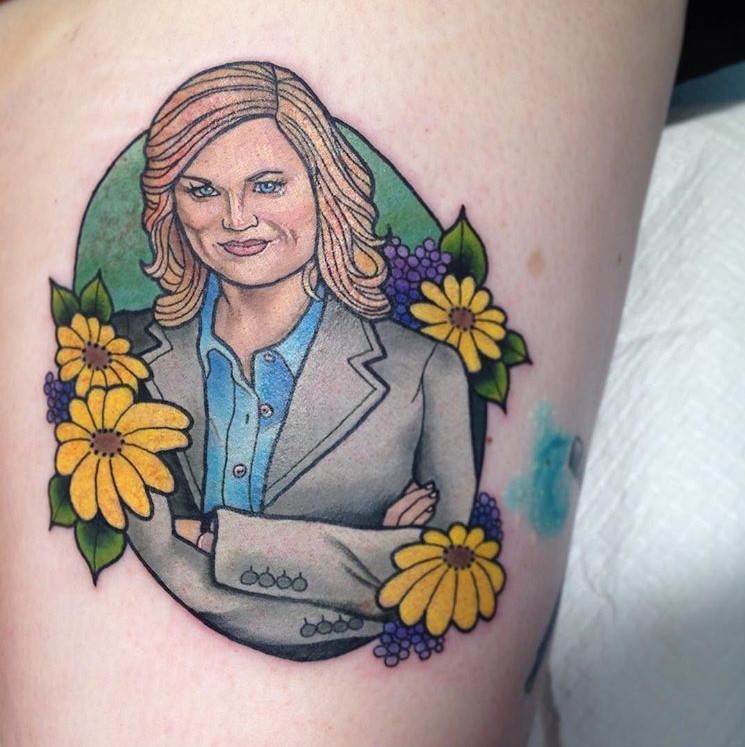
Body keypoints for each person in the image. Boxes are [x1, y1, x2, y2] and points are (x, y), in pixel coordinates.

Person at [114, 61, 476, 659]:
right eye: (202, 191)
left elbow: (439, 576)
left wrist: (218, 540)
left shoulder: (423, 373)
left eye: (267, 185)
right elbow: (157, 566)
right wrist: (369, 559)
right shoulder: (116, 357)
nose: (236, 219)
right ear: (169, 207)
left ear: (325, 189)